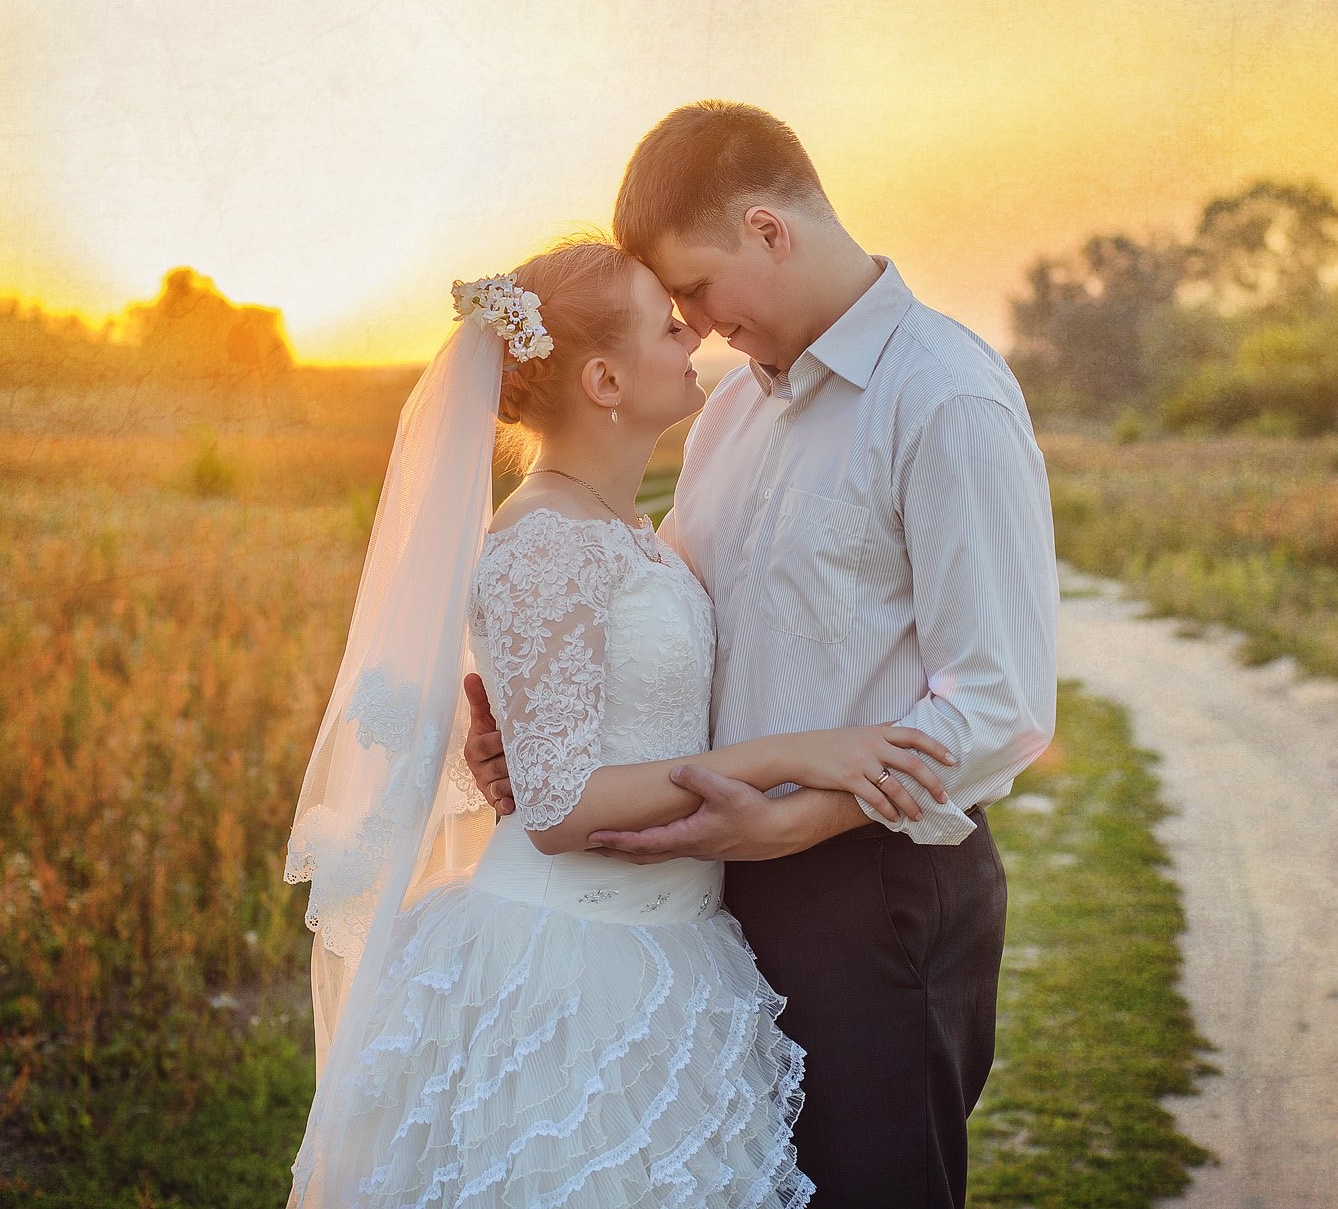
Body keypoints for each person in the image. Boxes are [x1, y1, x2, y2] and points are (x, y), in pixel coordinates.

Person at [464, 102, 1060, 1208]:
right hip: (707, 894)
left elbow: (1001, 700)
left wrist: (803, 816)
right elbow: (664, 609)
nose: (689, 325)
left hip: (874, 889)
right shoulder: (733, 409)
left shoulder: (942, 398)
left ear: (766, 230)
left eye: (691, 289)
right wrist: (531, 723)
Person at [283, 235, 960, 1207]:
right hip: (564, 976)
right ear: (603, 378)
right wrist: (808, 754)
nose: (690, 331)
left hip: (671, 947)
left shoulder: (622, 527)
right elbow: (556, 811)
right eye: (663, 323)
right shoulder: (540, 543)